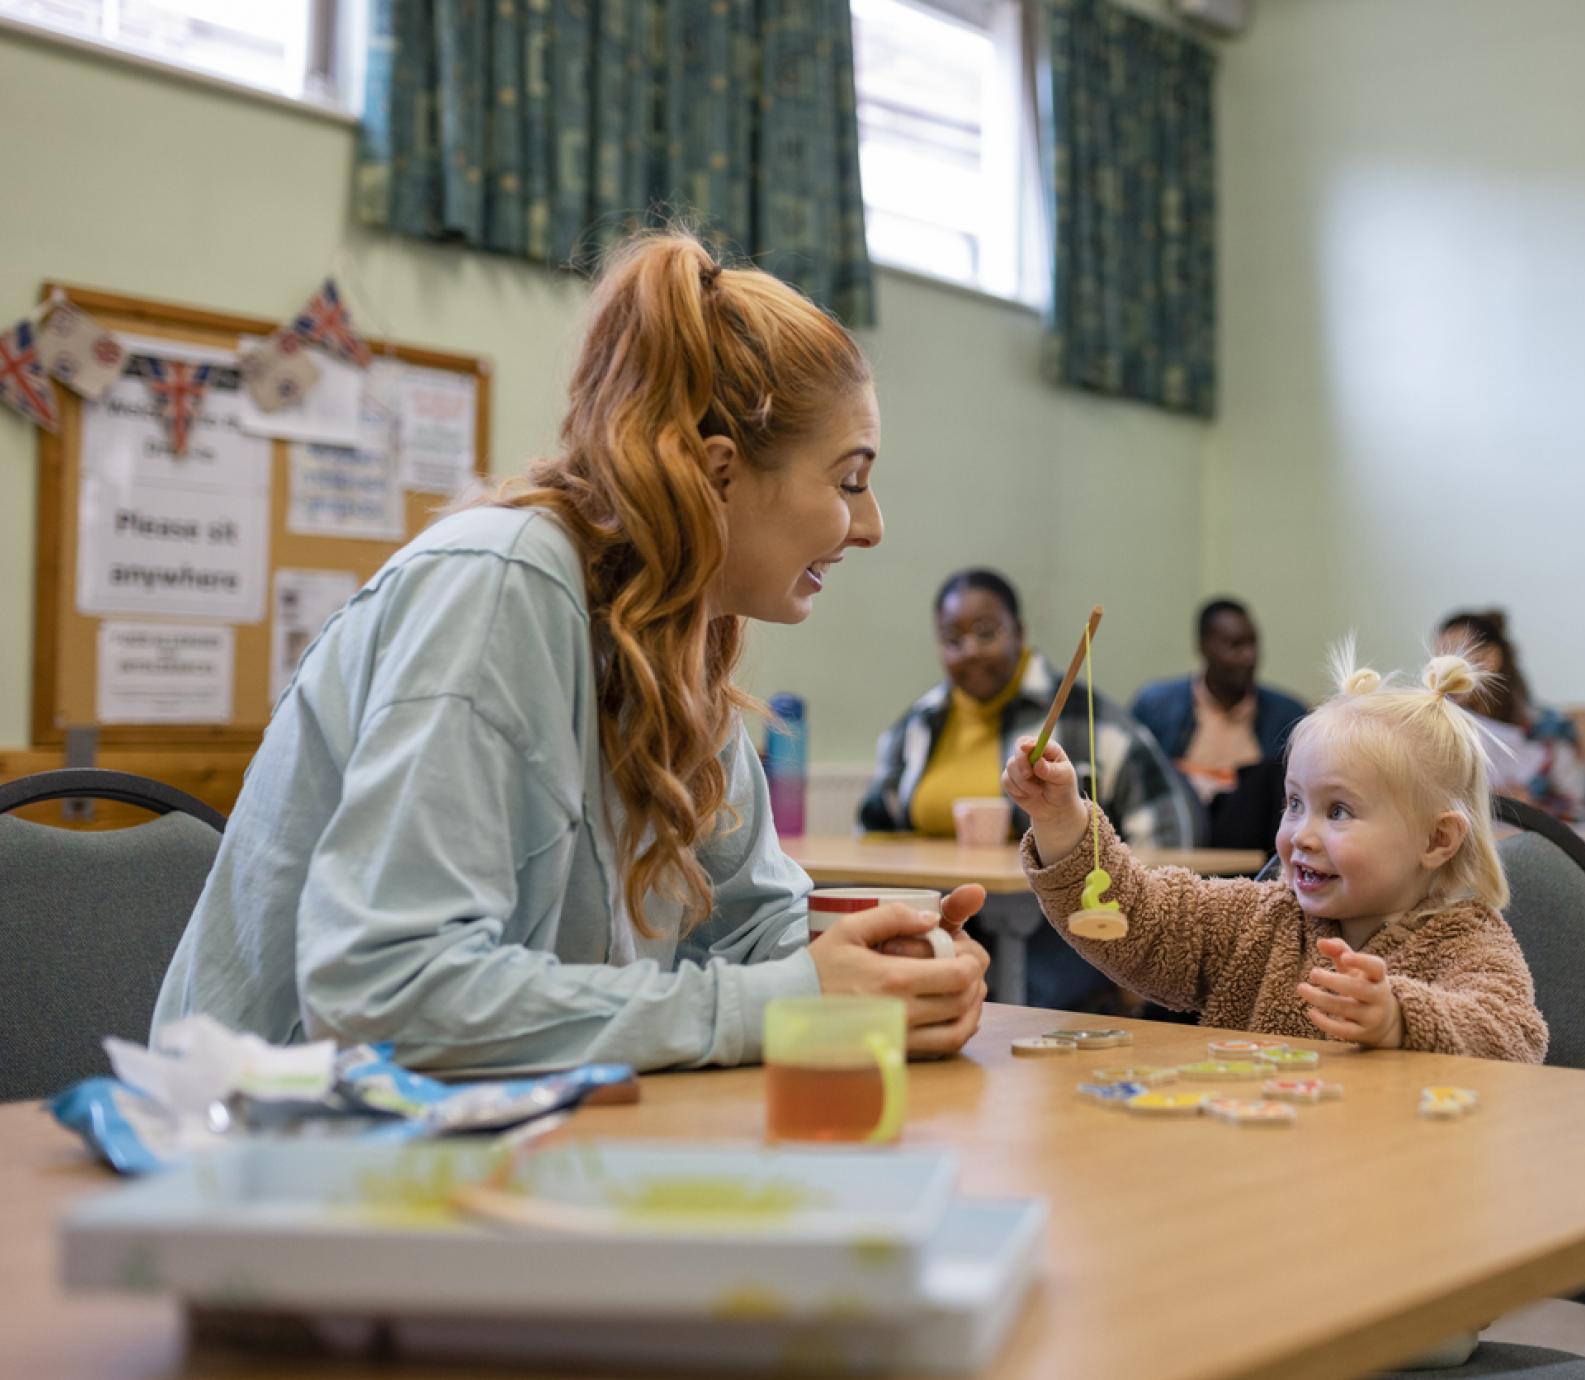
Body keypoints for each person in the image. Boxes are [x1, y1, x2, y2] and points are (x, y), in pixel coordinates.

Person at [153, 233, 990, 1070]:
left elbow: (752, 926)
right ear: (719, 474)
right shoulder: (498, 584)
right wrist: (791, 1002)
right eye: (849, 480)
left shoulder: (675, 634)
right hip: (272, 1146)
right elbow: (385, 997)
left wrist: (888, 962)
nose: (872, 526)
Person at [1001, 638, 1549, 1063]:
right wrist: (1061, 820)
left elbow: (1513, 1036)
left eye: (1338, 811)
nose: (1300, 835)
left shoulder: (1466, 941)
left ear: (1436, 840)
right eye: (1293, 803)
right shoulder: (1261, 918)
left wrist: (1400, 1018)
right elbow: (1141, 919)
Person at [860, 568, 1194, 1009]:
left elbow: (1166, 834)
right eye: (952, 639)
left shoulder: (1086, 721)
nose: (971, 652)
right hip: (946, 918)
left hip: (1063, 927)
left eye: (986, 632)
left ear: (1018, 632)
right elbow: (870, 833)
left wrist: (1132, 933)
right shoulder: (916, 729)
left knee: (1010, 995)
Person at [1131, 598, 1309, 848]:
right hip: (1176, 837)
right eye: (1235, 645)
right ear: (1204, 647)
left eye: (1253, 644)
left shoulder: (1287, 714)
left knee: (1264, 777)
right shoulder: (1156, 706)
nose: (1249, 656)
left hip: (1252, 848)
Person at [1435, 608, 1585, 823]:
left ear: (1490, 658)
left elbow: (1580, 813)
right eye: (1437, 661)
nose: (1441, 673)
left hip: (1543, 846)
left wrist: (1529, 806)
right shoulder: (1444, 727)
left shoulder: (1550, 728)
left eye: (1453, 657)